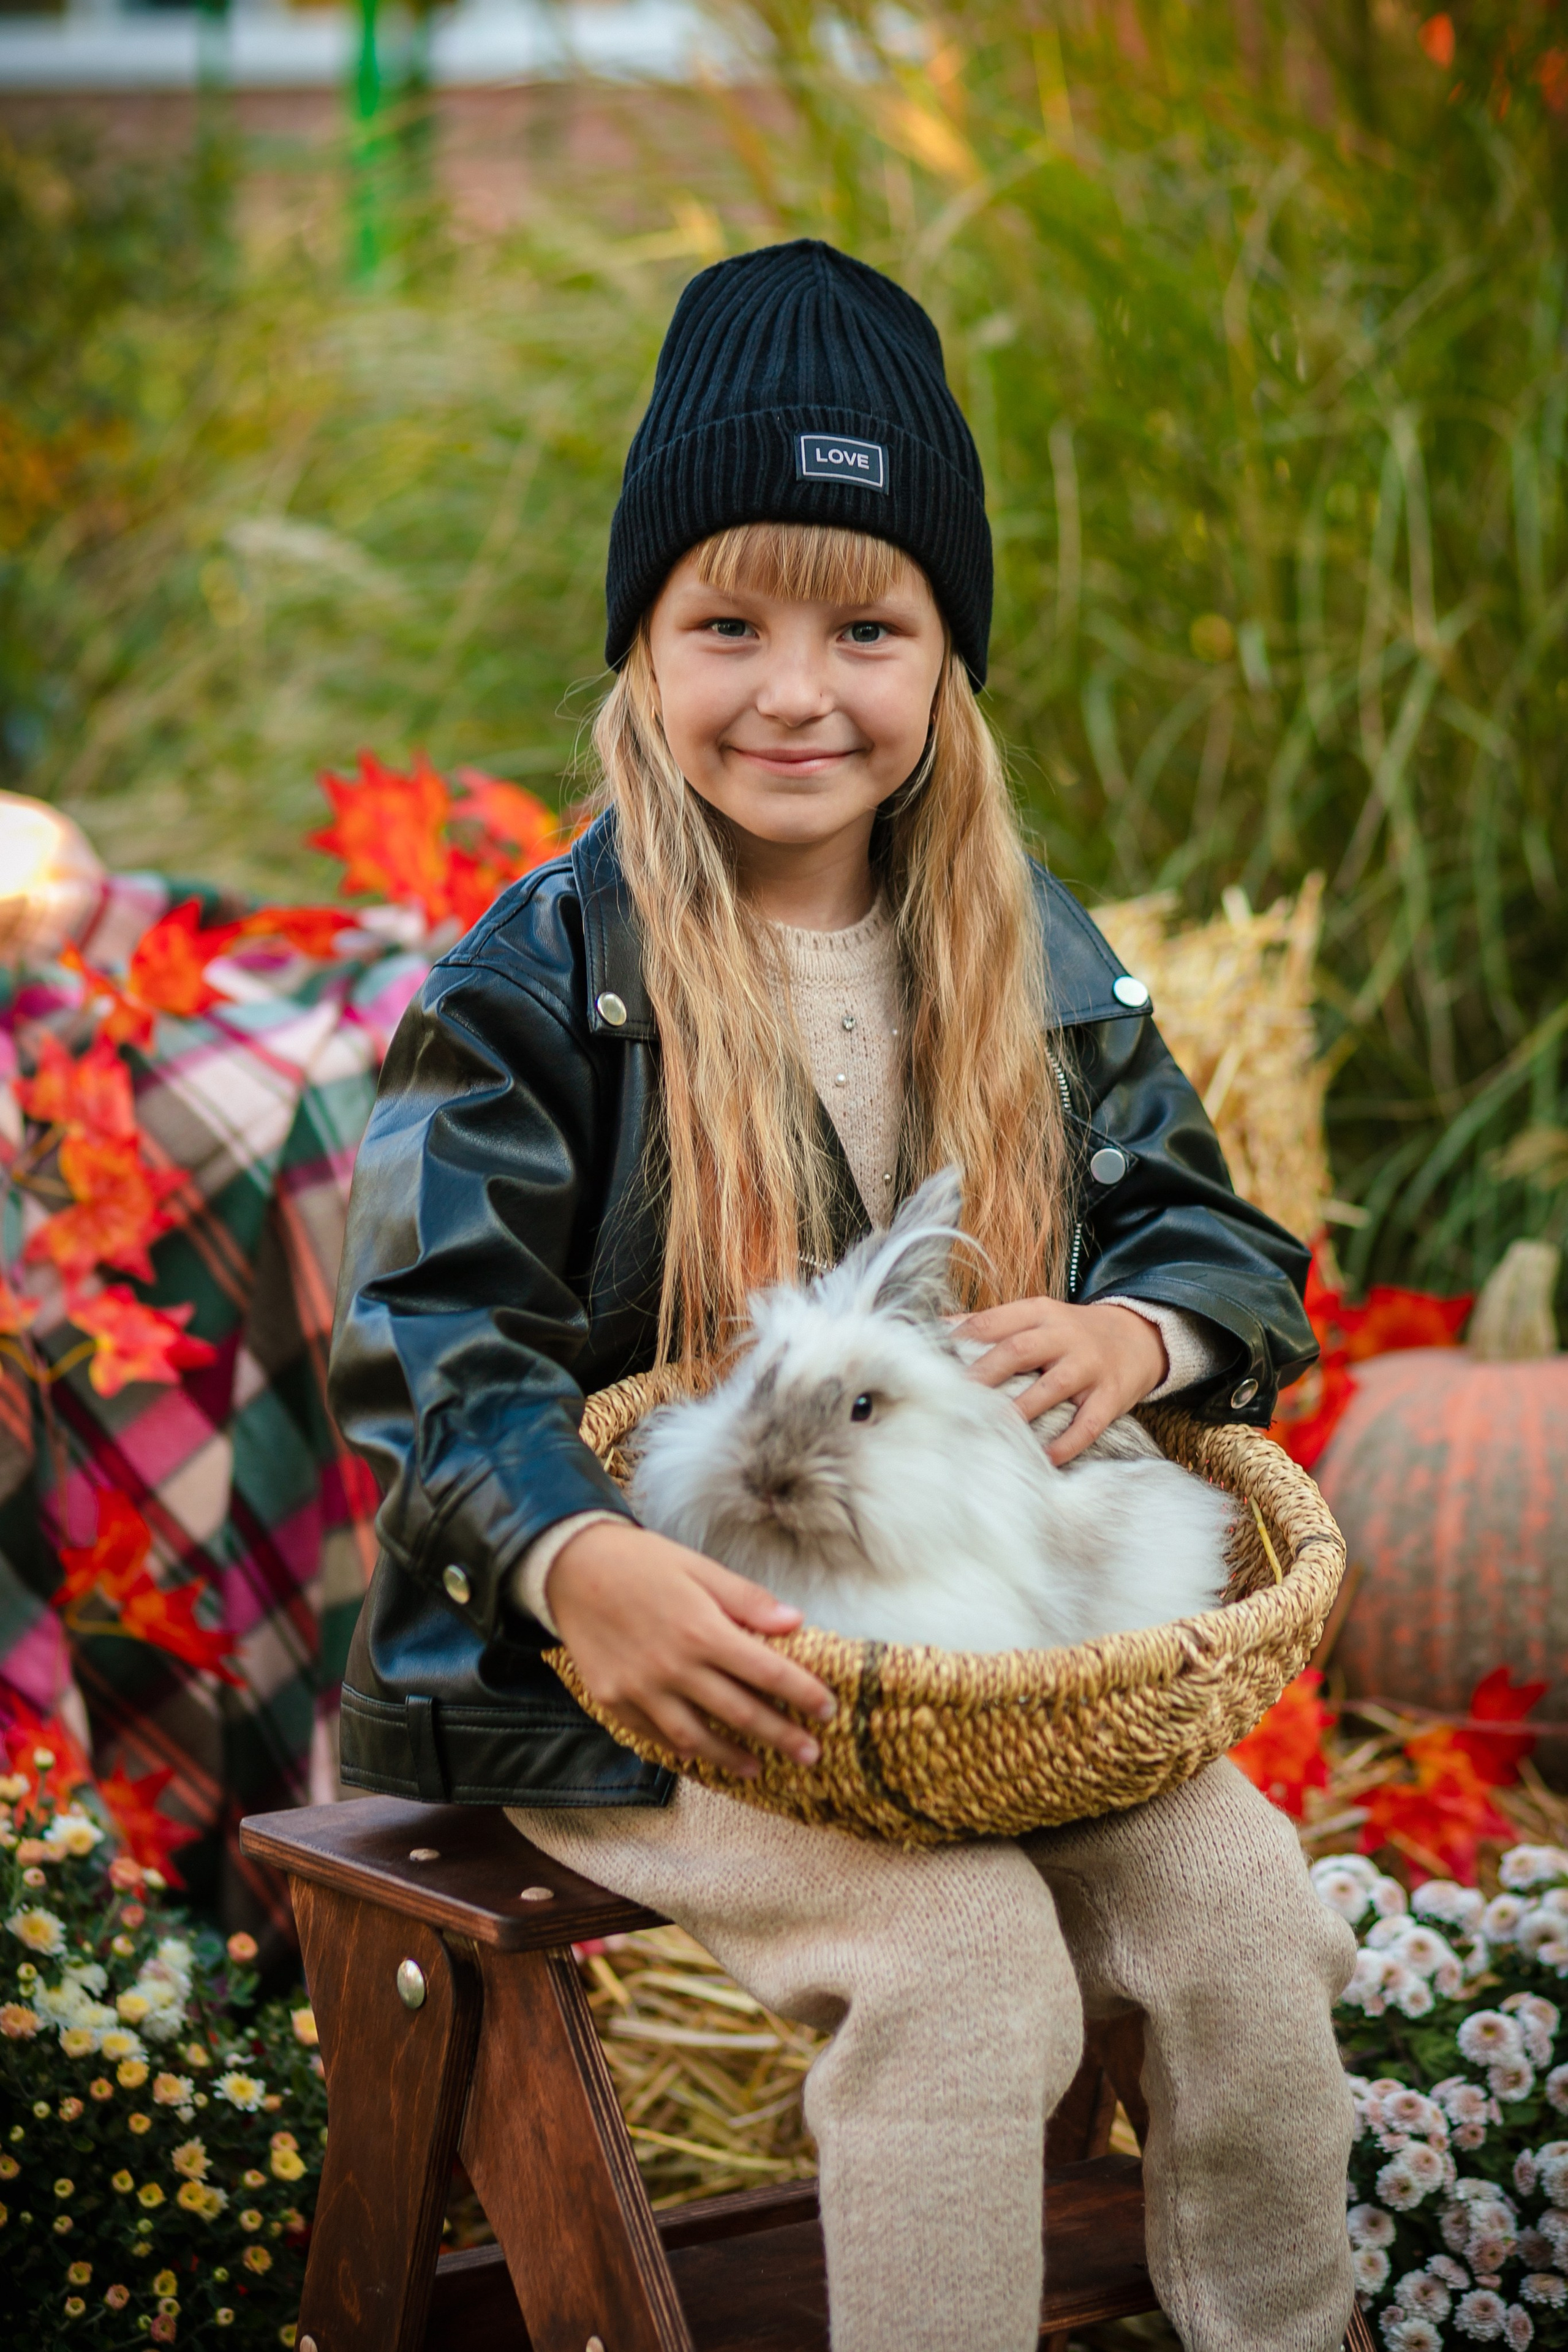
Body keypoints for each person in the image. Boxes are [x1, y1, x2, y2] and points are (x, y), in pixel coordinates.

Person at [328, 239, 1356, 2352]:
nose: (798, 690)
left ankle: (1283, 2325)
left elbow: (1226, 1242)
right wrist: (577, 1559)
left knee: (1249, 1907)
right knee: (966, 1966)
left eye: (866, 627)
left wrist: (1143, 1333)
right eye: (729, 624)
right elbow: (436, 1347)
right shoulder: (538, 982)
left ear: (943, 662)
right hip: (649, 1666)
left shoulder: (1036, 956)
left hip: (979, 1665)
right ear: (644, 649)